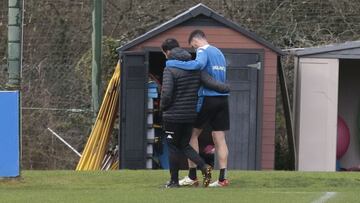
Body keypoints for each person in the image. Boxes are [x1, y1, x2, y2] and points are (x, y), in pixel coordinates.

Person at [166, 30, 230, 187]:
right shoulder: (219, 53)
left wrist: (172, 63)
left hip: (208, 98)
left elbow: (198, 65)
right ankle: (222, 179)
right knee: (219, 138)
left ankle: (192, 176)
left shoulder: (202, 51)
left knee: (191, 136)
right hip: (223, 100)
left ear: (194, 42)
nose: (194, 50)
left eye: (193, 47)